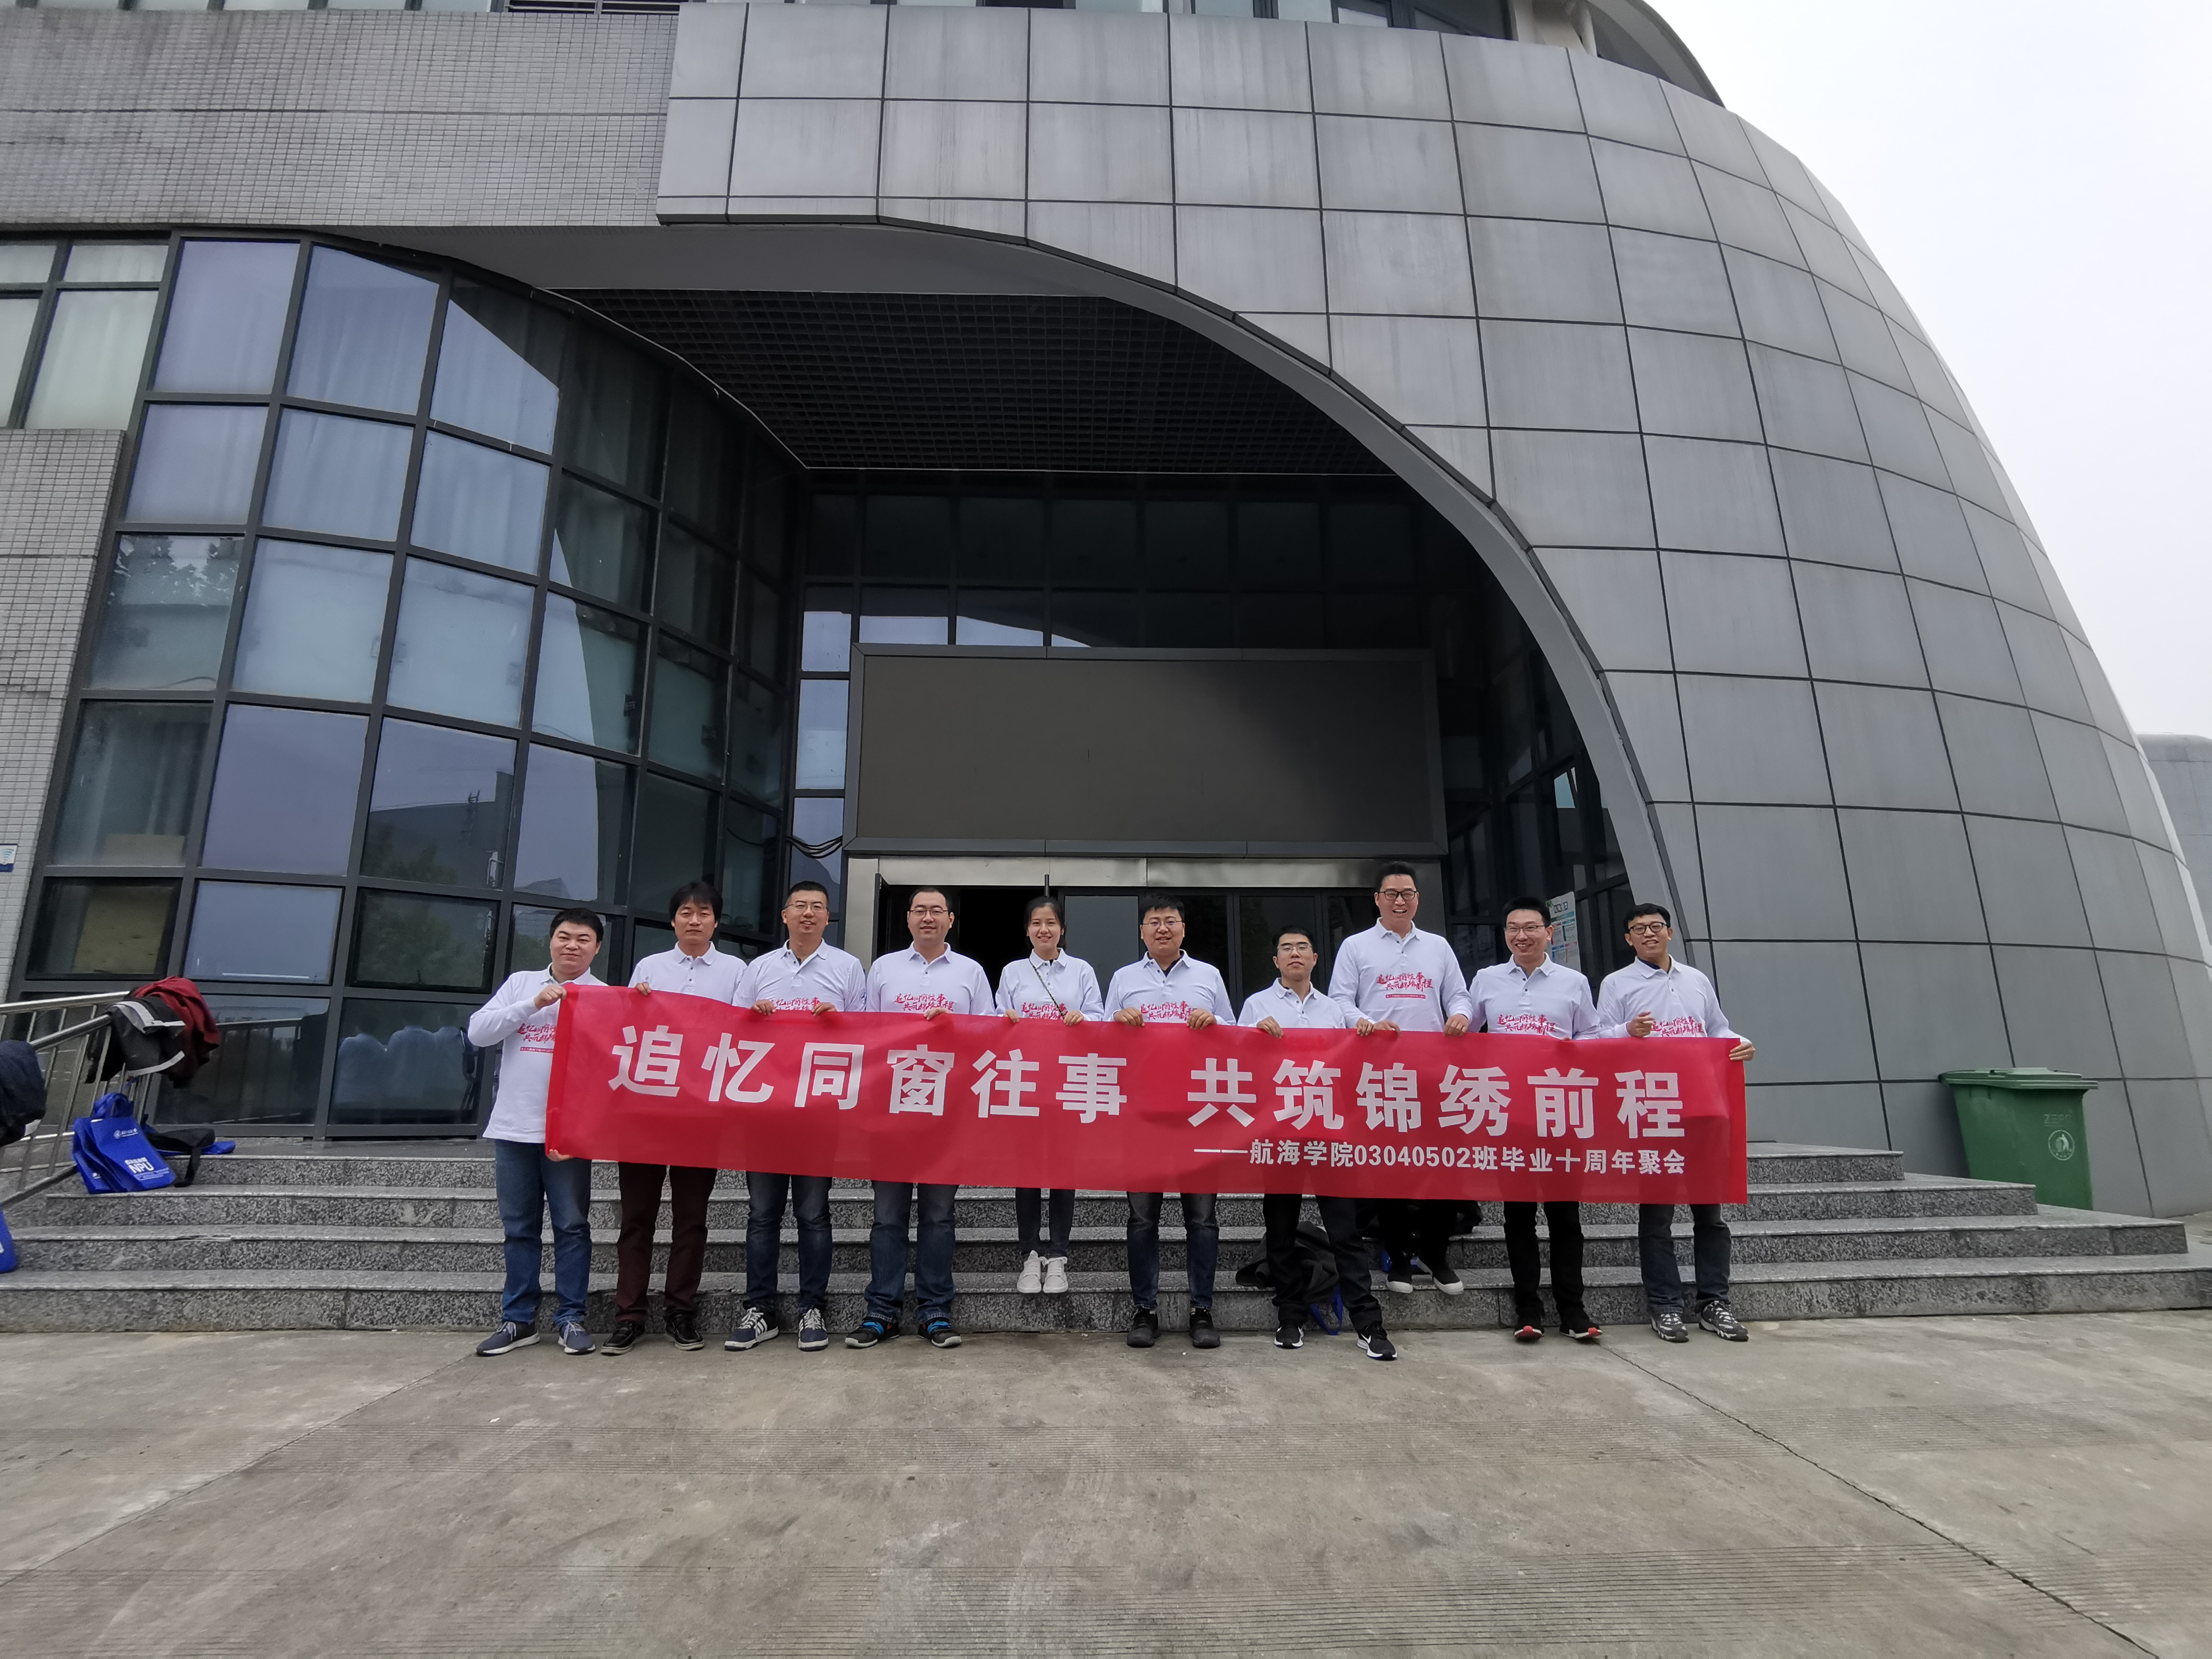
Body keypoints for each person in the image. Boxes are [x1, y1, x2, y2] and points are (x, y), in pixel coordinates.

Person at [1594, 902, 1757, 1345]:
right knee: (1657, 1216)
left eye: (1656, 926)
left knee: (1711, 1215)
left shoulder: (1696, 980)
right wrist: (1627, 1032)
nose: (1648, 934)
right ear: (1628, 939)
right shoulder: (1616, 984)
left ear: (1669, 932)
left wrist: (1741, 1042)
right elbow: (1594, 1040)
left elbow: (1717, 1030)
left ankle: (1714, 1302)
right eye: (1638, 929)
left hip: (1703, 1107)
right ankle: (1664, 1305)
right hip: (1653, 1110)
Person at [1240, 927, 1396, 1361]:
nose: (1294, 954)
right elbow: (1236, 1058)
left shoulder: (1336, 1010)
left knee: (1345, 1232)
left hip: (1330, 1132)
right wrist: (1252, 1034)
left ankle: (1368, 1323)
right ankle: (1290, 1315)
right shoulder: (1256, 1005)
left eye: (1302, 948)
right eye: (1286, 948)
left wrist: (1372, 1033)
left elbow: (1358, 1057)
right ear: (1276, 961)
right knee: (1281, 1230)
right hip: (1280, 1133)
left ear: (1314, 959)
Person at [848, 887, 994, 1351]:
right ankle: (882, 1312)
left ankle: (935, 1311)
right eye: (919, 911)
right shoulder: (883, 969)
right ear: (908, 919)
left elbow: (989, 1035)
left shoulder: (971, 972)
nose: (928, 917)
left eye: (936, 911)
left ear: (950, 920)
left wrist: (956, 1026)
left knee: (939, 1216)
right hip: (890, 1110)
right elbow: (864, 1033)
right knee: (887, 1217)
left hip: (947, 1113)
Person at [727, 878, 866, 1356]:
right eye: (800, 906)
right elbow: (729, 1029)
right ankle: (760, 1309)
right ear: (785, 915)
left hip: (818, 1111)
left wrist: (839, 1021)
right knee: (762, 1214)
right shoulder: (759, 968)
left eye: (818, 907)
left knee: (813, 1214)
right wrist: (753, 1016)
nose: (808, 913)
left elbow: (869, 1033)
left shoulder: (847, 967)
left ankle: (812, 1308)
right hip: (765, 1110)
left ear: (828, 918)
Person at [606, 881, 745, 1357]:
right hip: (646, 1110)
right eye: (686, 912)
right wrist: (636, 1001)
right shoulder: (650, 968)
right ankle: (629, 1315)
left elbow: (744, 1034)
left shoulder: (735, 971)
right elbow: (625, 1030)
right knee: (636, 1218)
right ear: (673, 921)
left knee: (691, 1219)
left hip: (700, 1113)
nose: (694, 920)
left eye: (704, 913)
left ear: (716, 922)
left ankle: (680, 1311)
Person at [1327, 861, 1474, 1297]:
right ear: (1377, 899)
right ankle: (1399, 1254)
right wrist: (1367, 1023)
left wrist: (1461, 1016)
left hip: (1433, 1072)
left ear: (1417, 899)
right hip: (1379, 1074)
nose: (1399, 901)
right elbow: (1339, 1002)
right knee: (1390, 1167)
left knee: (1443, 1164)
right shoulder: (1356, 946)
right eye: (1391, 894)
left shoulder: (1438, 947)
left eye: (1407, 893)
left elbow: (1459, 995)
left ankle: (1435, 1252)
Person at [465, 908, 606, 1358]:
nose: (572, 946)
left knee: (572, 1226)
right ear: (551, 941)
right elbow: (479, 1033)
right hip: (514, 1127)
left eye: (583, 939)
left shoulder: (604, 997)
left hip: (567, 1135)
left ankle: (571, 1318)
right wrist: (533, 1004)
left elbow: (610, 1071)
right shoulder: (521, 984)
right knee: (519, 1229)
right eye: (565, 936)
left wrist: (584, 1131)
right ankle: (518, 1319)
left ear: (596, 949)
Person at [1103, 892, 1236, 1352]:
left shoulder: (1208, 975)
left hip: (1199, 1114)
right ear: (1142, 932)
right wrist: (1117, 1020)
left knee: (1202, 1218)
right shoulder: (1123, 978)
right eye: (1154, 921)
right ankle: (1145, 1309)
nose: (1163, 928)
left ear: (1183, 929)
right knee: (1142, 1218)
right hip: (1143, 1115)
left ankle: (1202, 1310)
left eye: (1171, 921)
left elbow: (1234, 1034)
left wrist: (1213, 1021)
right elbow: (1101, 1039)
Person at [1469, 896, 1603, 1345]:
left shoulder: (1574, 982)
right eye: (1513, 928)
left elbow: (1591, 1036)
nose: (1521, 936)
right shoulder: (1487, 979)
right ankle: (1528, 1307)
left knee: (1565, 1216)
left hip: (1561, 1112)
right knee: (1518, 1215)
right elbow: (1466, 1033)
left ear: (1549, 932)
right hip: (1511, 1115)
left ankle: (1573, 1309)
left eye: (1530, 927)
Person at [996, 894, 1103, 1296]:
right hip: (1025, 1080)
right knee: (1027, 1171)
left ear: (1062, 930)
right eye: (1037, 923)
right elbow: (996, 1017)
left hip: (1068, 1081)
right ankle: (1030, 1253)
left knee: (1062, 1170)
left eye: (1051, 923)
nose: (1044, 930)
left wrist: (1083, 1019)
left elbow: (1100, 1016)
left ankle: (1058, 1255)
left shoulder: (1082, 971)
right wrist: (1005, 1019)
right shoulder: (1013, 972)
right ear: (1027, 930)